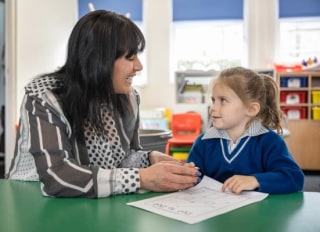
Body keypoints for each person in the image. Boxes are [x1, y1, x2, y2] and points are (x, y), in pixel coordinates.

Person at [7, 10, 201, 198]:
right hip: (32, 201)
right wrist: (141, 178)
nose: (139, 66)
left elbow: (123, 158)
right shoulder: (45, 98)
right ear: (98, 60)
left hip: (94, 201)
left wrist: (149, 159)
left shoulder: (129, 97)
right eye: (130, 57)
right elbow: (58, 176)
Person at [187, 67, 304, 194]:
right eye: (213, 100)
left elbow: (294, 178)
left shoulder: (270, 142)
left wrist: (255, 180)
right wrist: (186, 176)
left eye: (223, 100)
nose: (213, 108)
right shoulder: (203, 142)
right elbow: (193, 179)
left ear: (251, 109)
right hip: (213, 211)